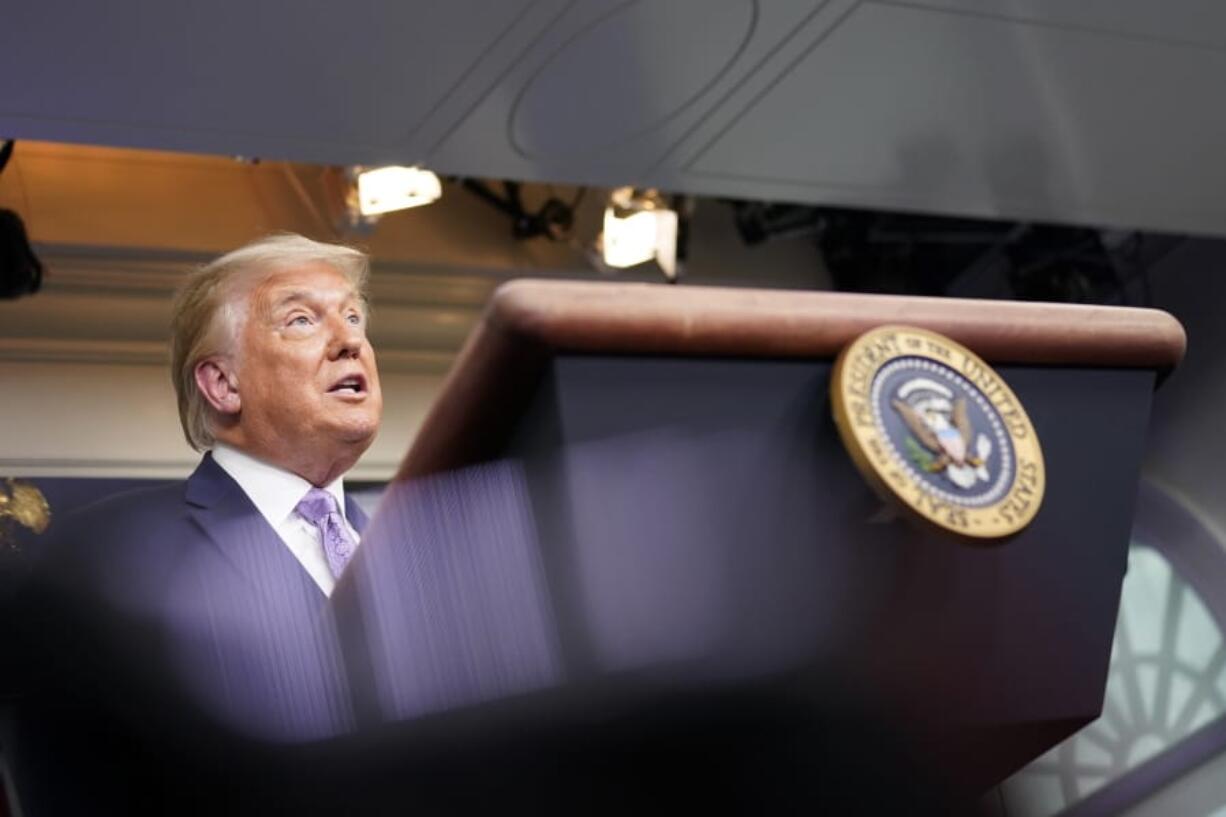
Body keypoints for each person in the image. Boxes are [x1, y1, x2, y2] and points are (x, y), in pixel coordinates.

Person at [8, 234, 385, 814]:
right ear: (222, 384)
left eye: (354, 315)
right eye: (302, 319)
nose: (351, 340)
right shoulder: (104, 558)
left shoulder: (409, 555)